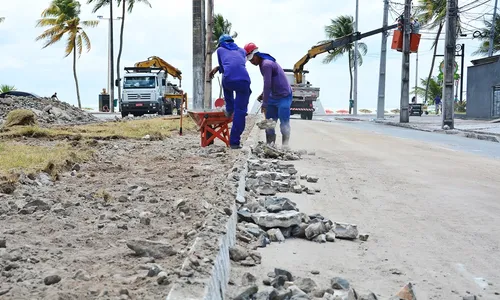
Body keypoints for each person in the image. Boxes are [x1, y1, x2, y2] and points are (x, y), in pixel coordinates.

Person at [244, 42, 293, 149]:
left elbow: (267, 84)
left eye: (252, 60)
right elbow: (270, 82)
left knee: (284, 122)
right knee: (269, 122)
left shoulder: (266, 64)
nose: (252, 62)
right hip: (273, 96)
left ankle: (285, 145)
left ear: (256, 55)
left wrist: (264, 104)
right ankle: (270, 145)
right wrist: (263, 95)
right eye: (250, 61)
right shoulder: (262, 64)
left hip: (284, 96)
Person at [209, 34, 251, 149]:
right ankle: (234, 142)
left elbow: (224, 68)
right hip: (244, 81)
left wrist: (217, 68)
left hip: (229, 80)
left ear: (221, 43)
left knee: (225, 79)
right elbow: (237, 65)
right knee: (241, 111)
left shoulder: (220, 50)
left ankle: (229, 108)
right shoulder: (242, 51)